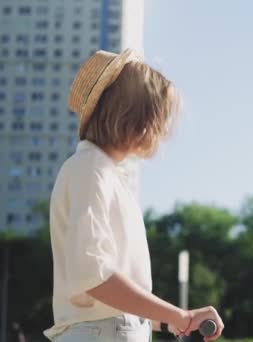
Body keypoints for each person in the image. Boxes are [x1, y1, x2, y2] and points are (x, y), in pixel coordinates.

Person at [43, 49, 224, 341]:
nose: (160, 129)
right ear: (136, 118)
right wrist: (182, 316)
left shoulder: (102, 172)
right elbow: (94, 275)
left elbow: (104, 295)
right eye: (157, 117)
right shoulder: (91, 169)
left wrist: (167, 321)